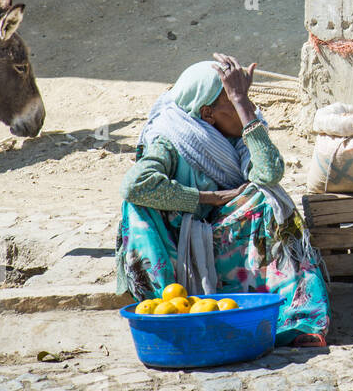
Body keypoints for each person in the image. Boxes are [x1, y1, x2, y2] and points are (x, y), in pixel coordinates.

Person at [116, 54, 330, 346]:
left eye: (246, 100)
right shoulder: (171, 138)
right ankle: (167, 314)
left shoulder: (242, 133)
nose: (251, 108)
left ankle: (297, 317)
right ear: (207, 115)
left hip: (224, 242)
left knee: (266, 197)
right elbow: (133, 185)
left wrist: (242, 104)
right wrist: (205, 198)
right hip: (177, 243)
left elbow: (269, 172)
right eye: (234, 103)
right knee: (137, 207)